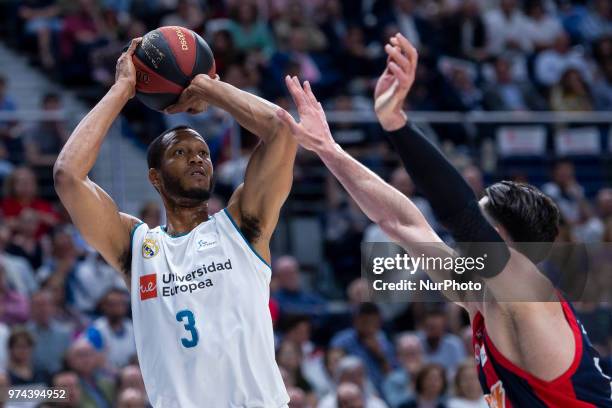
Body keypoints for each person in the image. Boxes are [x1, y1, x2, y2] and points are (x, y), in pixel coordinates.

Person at [277, 32, 612, 407]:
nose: (458, 243)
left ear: (499, 236)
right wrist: (329, 148)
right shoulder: (477, 294)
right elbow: (400, 223)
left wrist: (397, 125)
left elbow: (462, 217)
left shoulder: (530, 295)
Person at [54, 38, 297, 407]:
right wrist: (122, 90)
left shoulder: (242, 224)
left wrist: (207, 88)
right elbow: (68, 176)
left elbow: (282, 130)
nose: (197, 159)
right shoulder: (137, 247)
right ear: (154, 177)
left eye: (203, 153)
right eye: (180, 153)